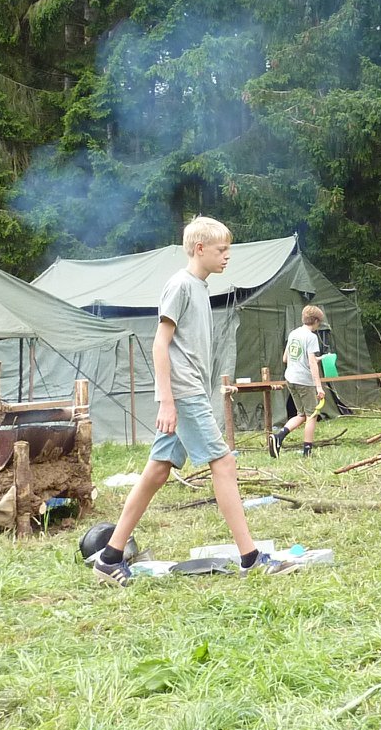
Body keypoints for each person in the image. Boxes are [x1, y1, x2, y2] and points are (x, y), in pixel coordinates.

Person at [92, 216, 294, 584]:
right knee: (224, 463)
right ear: (200, 249)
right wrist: (167, 400)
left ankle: (109, 557)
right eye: (221, 250)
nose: (227, 256)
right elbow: (159, 343)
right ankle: (250, 557)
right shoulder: (180, 286)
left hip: (190, 391)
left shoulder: (200, 287)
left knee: (157, 471)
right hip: (182, 393)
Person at [270, 305, 328, 459]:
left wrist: (318, 358)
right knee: (312, 414)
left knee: (301, 414)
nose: (318, 326)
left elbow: (285, 358)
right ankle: (307, 451)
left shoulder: (294, 333)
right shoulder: (311, 337)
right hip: (304, 381)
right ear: (315, 321)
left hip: (290, 378)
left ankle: (278, 437)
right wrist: (319, 387)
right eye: (319, 323)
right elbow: (312, 364)